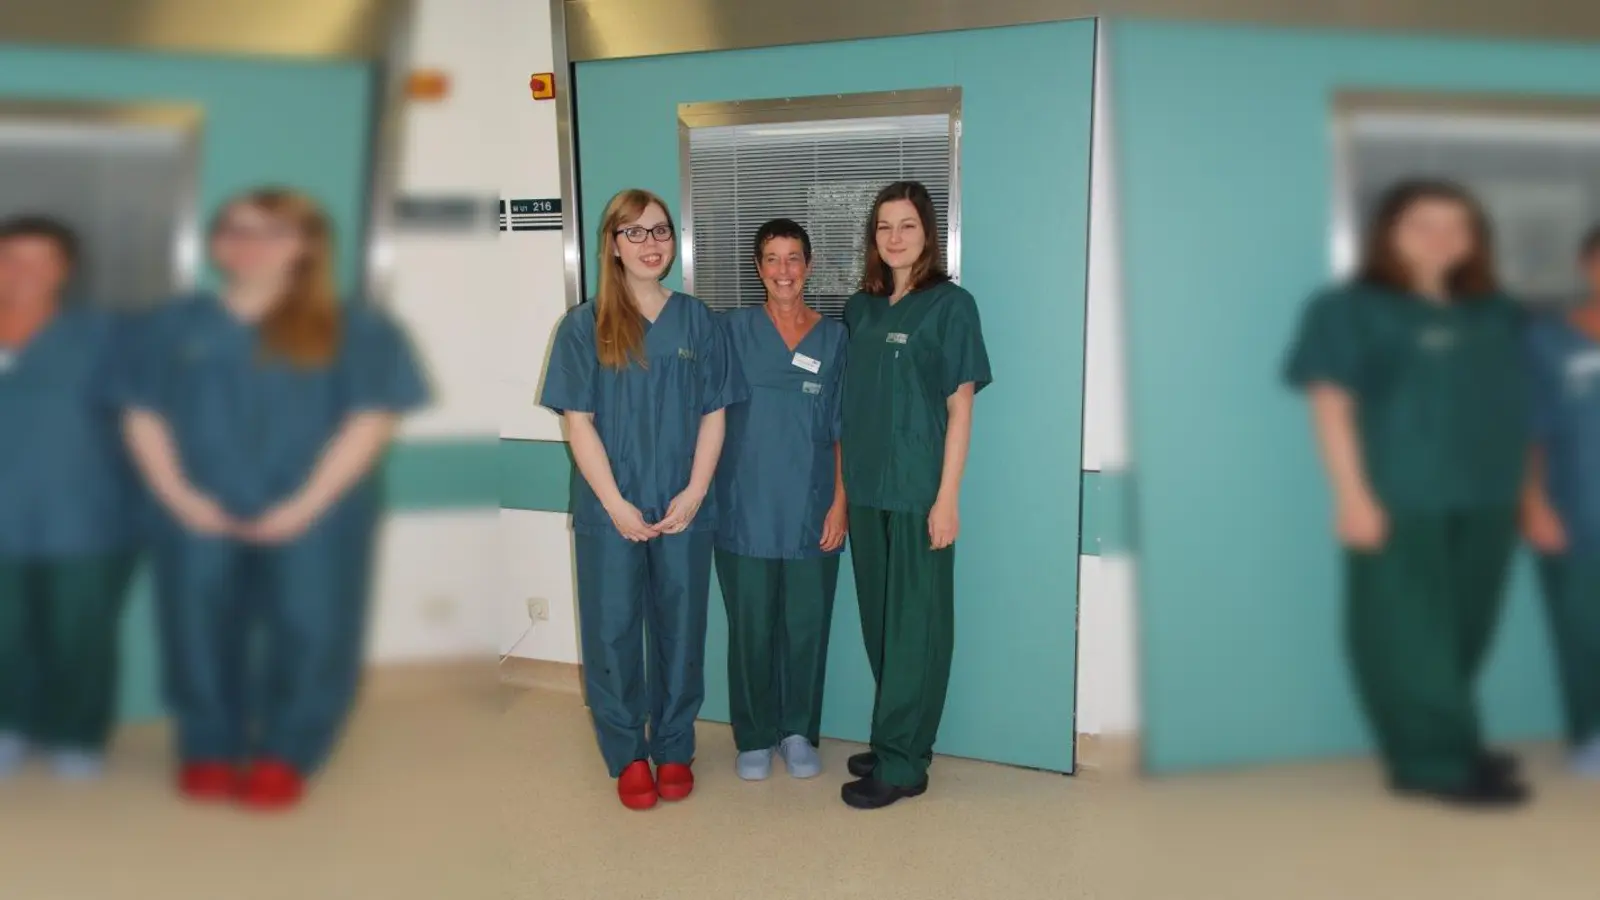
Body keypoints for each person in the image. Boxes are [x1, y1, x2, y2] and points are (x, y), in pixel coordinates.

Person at [110, 188, 428, 810]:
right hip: (195, 511)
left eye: (273, 231)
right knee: (197, 628)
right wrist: (179, 498)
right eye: (237, 229)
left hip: (319, 515)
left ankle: (288, 751)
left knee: (313, 631)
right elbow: (141, 413)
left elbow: (371, 420)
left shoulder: (355, 327)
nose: (251, 244)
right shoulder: (171, 325)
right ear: (216, 242)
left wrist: (303, 507)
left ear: (306, 246)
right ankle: (208, 746)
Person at [1284, 179, 1530, 808]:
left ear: (1476, 241)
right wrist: (1352, 496)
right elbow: (1331, 405)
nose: (1441, 239)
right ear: (1388, 232)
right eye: (1423, 224)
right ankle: (1429, 763)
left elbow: (1522, 407)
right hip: (1402, 495)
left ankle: (1451, 740)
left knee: (1464, 629)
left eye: (1457, 226)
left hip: (1488, 495)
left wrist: (1528, 491)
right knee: (1405, 634)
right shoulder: (1350, 309)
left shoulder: (1495, 313)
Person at [539, 188, 746, 811]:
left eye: (660, 231)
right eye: (636, 233)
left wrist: (695, 491)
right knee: (613, 630)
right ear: (613, 244)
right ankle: (628, 751)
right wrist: (616, 504)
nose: (651, 243)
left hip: (684, 506)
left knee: (682, 629)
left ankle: (675, 746)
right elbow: (579, 423)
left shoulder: (698, 321)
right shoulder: (585, 324)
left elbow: (715, 413)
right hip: (613, 508)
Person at [837, 181, 991, 810]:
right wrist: (843, 493)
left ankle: (904, 763)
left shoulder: (951, 307)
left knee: (915, 629)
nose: (894, 237)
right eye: (883, 227)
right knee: (880, 625)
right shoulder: (861, 309)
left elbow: (960, 410)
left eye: (907, 225)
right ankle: (899, 737)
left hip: (918, 490)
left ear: (928, 233)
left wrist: (947, 497)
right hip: (869, 490)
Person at [0, 216, 138, 781]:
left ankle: (75, 735)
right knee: (3, 632)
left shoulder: (106, 334)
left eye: (41, 259)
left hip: (86, 514)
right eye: (10, 257)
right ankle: (8, 726)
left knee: (78, 633)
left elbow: (147, 419)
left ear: (66, 269)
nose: (24, 271)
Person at [714, 219, 848, 782]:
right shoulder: (731, 332)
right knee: (749, 626)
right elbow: (709, 417)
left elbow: (846, 428)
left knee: (807, 625)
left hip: (812, 508)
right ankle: (754, 734)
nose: (784, 270)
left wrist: (840, 503)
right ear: (758, 268)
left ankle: (797, 731)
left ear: (810, 266)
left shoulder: (837, 338)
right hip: (743, 505)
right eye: (773, 258)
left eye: (794, 258)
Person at [1521, 224, 1600, 779]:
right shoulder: (1544, 340)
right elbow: (1527, 431)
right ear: (1586, 265)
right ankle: (1592, 738)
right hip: (1577, 507)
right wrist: (1532, 504)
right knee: (1581, 630)